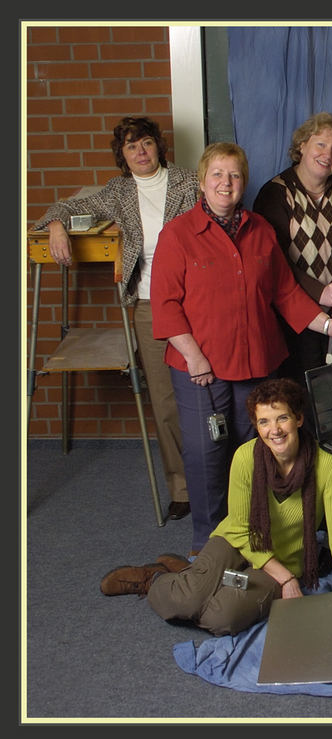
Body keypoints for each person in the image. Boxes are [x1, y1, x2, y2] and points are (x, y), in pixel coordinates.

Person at [150, 142, 332, 554]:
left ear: (244, 182)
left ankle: (255, 536)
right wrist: (194, 357)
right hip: (200, 369)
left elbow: (286, 293)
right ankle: (208, 545)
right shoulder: (177, 235)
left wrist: (327, 324)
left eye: (235, 176)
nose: (226, 184)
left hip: (258, 365)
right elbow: (166, 304)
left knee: (256, 454)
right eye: (218, 175)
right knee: (207, 455)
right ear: (202, 181)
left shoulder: (261, 230)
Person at [99, 379, 332, 637]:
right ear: (256, 426)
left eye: (282, 418)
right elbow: (239, 528)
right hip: (236, 542)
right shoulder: (246, 457)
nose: (275, 430)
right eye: (264, 421)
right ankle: (155, 578)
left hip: (283, 557)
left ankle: (190, 577)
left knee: (220, 618)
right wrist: (285, 579)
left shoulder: (327, 466)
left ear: (299, 419)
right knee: (182, 603)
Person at [33, 116, 198, 521]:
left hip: (197, 300)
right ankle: (182, 487)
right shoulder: (118, 191)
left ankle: (223, 481)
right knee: (164, 400)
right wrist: (56, 225)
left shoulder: (190, 182)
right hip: (148, 304)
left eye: (145, 143)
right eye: (131, 147)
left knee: (208, 395)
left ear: (158, 146)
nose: (140, 152)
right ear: (122, 156)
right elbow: (65, 206)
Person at [252, 112, 332, 383]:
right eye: (320, 144)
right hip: (296, 315)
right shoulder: (276, 193)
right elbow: (275, 263)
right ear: (301, 146)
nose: (327, 154)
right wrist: (319, 292)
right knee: (301, 391)